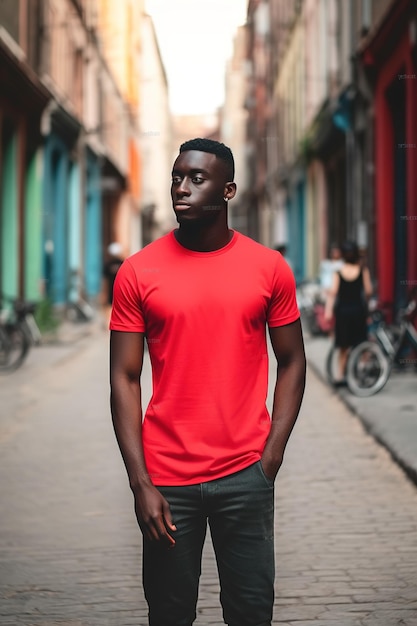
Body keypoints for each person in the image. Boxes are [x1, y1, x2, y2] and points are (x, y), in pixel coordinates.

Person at [109, 138, 306, 626]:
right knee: (170, 613)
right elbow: (124, 376)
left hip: (246, 473)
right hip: (167, 480)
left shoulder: (269, 268)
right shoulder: (138, 272)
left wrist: (272, 455)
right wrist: (140, 483)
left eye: (197, 178)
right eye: (178, 176)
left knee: (251, 610)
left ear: (228, 190)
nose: (182, 187)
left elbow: (294, 360)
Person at [324, 240, 373, 383]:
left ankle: (341, 375)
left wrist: (328, 311)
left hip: (343, 312)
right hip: (358, 310)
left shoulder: (338, 273)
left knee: (343, 346)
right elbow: (369, 291)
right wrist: (367, 301)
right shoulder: (363, 270)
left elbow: (333, 293)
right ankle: (361, 371)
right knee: (361, 343)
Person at [102, 242, 124, 324]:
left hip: (112, 288)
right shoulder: (123, 263)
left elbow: (105, 280)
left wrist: (104, 293)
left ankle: (110, 322)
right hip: (119, 289)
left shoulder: (108, 264)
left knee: (110, 306)